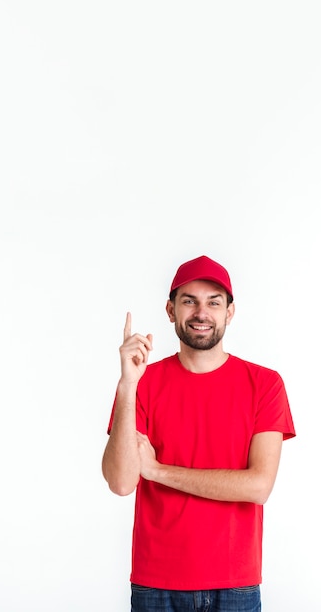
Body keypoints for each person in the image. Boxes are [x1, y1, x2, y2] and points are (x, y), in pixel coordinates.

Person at [102, 255, 295, 612]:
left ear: (229, 313)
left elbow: (258, 486)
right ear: (170, 310)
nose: (201, 312)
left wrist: (158, 471)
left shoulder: (265, 384)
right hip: (156, 581)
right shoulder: (140, 385)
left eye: (214, 302)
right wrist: (127, 385)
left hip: (236, 583)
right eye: (189, 301)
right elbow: (121, 482)